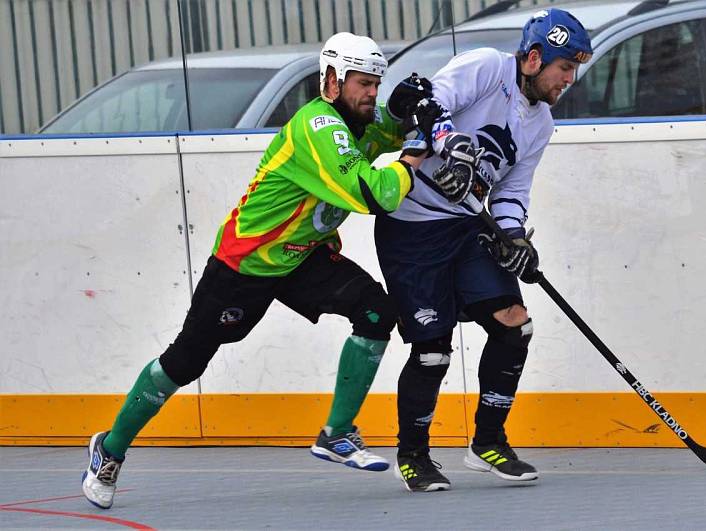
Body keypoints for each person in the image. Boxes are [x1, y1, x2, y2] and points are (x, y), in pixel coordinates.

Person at [82, 32, 439, 509]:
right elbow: (377, 194)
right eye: (362, 82)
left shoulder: (354, 122)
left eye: (376, 82)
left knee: (376, 311)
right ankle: (109, 449)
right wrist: (415, 150)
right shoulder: (317, 126)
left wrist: (399, 113)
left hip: (300, 257)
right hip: (245, 265)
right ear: (330, 81)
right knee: (183, 364)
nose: (371, 92)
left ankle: (336, 433)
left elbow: (380, 137)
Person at [378, 8, 593, 492]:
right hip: (411, 227)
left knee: (515, 324)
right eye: (564, 68)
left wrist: (514, 236)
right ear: (535, 58)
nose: (568, 81)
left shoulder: (541, 124)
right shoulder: (486, 67)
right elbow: (426, 101)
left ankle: (488, 441)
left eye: (574, 71)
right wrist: (448, 144)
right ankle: (413, 454)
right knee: (433, 350)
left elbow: (512, 190)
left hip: (466, 226)